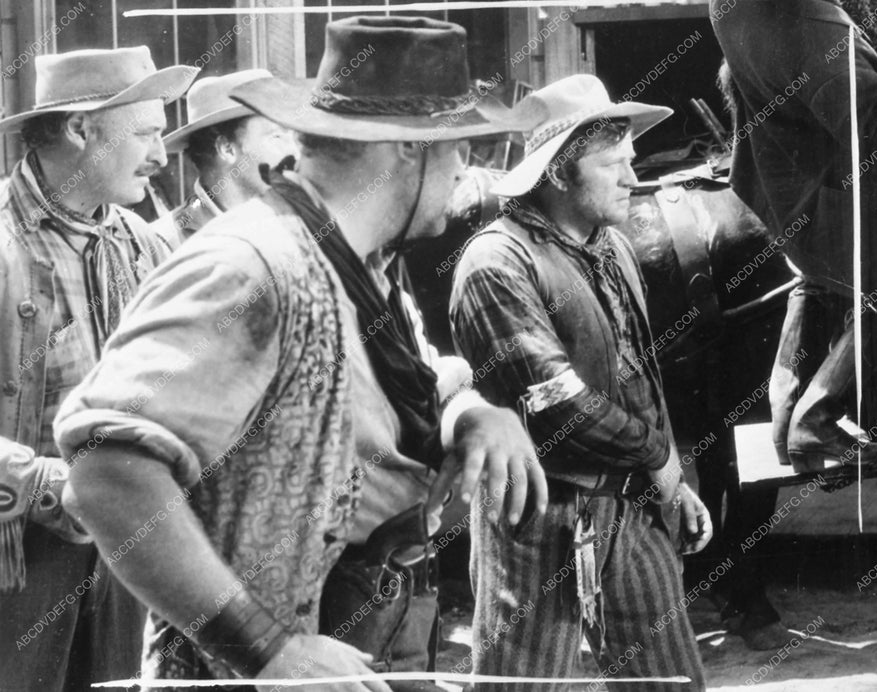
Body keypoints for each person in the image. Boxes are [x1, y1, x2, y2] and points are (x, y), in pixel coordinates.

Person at [54, 16, 546, 689]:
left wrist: (468, 414)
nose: (466, 167)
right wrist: (268, 650)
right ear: (408, 147)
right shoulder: (256, 265)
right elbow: (105, 472)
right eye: (458, 146)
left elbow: (381, 399)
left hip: (366, 640)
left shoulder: (363, 264)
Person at [449, 74, 710, 691]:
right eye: (613, 165)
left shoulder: (613, 247)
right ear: (559, 174)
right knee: (522, 688)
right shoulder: (496, 263)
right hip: (538, 513)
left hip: (631, 508)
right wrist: (659, 461)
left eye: (631, 161)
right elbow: (560, 407)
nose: (632, 178)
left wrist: (672, 482)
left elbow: (640, 374)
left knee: (672, 685)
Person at [0, 46, 197, 691]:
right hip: (16, 569)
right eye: (145, 134)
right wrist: (47, 487)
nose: (163, 156)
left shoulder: (147, 245)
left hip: (128, 563)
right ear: (81, 129)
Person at [712, 0, 877, 471]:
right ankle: (816, 419)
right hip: (836, 206)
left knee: (816, 282)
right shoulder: (817, 30)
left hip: (786, 195)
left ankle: (786, 415)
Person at [154, 69, 297, 243]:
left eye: (293, 137)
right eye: (276, 136)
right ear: (227, 149)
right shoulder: (164, 242)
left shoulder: (297, 226)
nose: (294, 152)